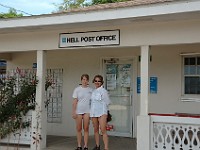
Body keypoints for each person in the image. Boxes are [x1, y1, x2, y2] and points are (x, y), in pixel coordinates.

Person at [72, 74, 93, 150]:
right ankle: (79, 145)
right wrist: (73, 112)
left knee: (86, 128)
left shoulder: (91, 90)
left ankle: (86, 146)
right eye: (83, 79)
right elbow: (74, 101)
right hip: (78, 111)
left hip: (87, 111)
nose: (85, 81)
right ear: (81, 80)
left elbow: (93, 102)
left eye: (86, 79)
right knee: (78, 129)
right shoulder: (77, 89)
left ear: (88, 81)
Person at [90, 75, 111, 150]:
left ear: (101, 82)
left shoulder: (104, 91)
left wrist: (105, 113)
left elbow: (108, 102)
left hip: (102, 113)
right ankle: (97, 146)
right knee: (95, 130)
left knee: (103, 130)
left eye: (99, 81)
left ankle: (106, 148)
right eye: (95, 81)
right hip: (94, 113)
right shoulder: (93, 91)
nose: (97, 82)